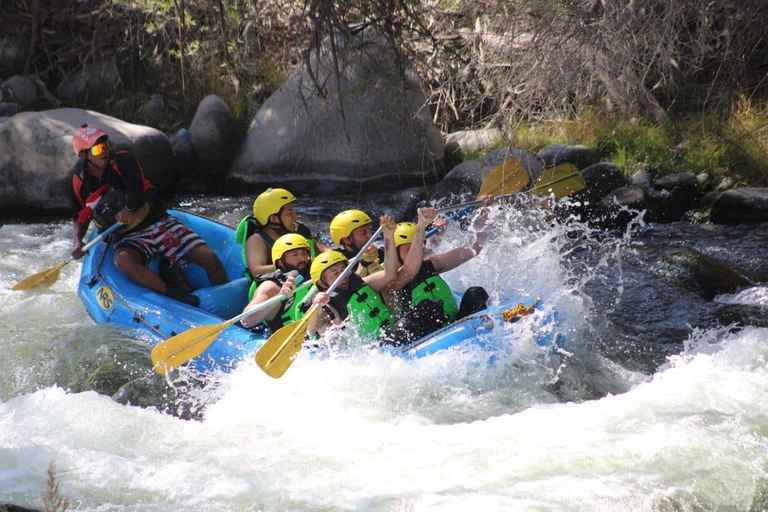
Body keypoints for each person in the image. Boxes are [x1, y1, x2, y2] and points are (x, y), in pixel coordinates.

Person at [68, 124, 228, 306]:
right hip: (128, 237)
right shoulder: (79, 182)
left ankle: (225, 300)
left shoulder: (123, 160)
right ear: (83, 155)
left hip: (157, 222)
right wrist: (77, 241)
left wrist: (129, 209)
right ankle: (173, 294)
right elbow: (80, 216)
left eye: (105, 145)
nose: (104, 151)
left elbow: (135, 188)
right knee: (123, 260)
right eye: (97, 149)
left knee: (208, 257)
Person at [381, 196, 495, 344]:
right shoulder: (391, 282)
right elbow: (410, 270)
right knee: (429, 306)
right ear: (396, 254)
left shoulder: (432, 263)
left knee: (476, 293)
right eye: (408, 250)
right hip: (423, 339)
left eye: (418, 246)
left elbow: (474, 248)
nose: (416, 252)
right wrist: (421, 227)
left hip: (453, 325)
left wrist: (484, 211)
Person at [304, 215, 398, 338]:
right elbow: (308, 329)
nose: (343, 276)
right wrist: (314, 307)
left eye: (344, 270)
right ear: (321, 283)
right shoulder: (325, 307)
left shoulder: (362, 284)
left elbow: (390, 274)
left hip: (388, 339)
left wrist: (389, 235)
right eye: (335, 273)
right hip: (370, 351)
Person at [235, 187, 328, 298]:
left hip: (301, 284)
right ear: (274, 218)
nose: (295, 216)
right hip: (276, 290)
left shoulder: (293, 234)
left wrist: (329, 253)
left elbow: (317, 245)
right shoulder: (257, 240)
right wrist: (289, 264)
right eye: (289, 213)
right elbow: (256, 271)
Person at [239, 233, 313, 334]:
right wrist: (279, 297)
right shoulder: (271, 286)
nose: (302, 259)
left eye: (304, 253)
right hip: (289, 341)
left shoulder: (315, 274)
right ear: (280, 262)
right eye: (295, 254)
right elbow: (246, 320)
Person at [329, 209, 385, 277]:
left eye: (369, 230)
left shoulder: (380, 253)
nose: (370, 236)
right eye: (364, 233)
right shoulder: (340, 264)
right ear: (346, 240)